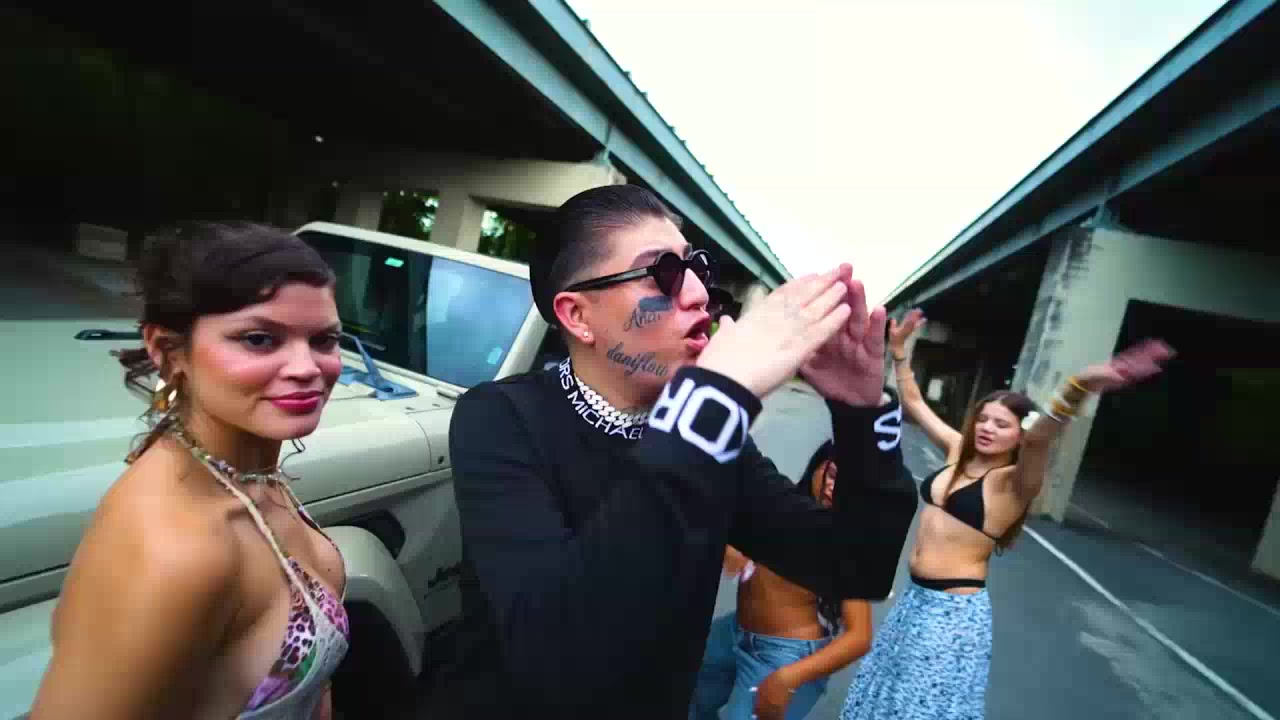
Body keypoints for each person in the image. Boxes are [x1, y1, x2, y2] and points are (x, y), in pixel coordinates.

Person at [449, 184, 917, 718]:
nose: (698, 293)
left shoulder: (715, 445)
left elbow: (858, 566)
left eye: (696, 267)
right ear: (577, 316)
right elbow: (555, 654)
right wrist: (711, 399)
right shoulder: (501, 418)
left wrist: (861, 412)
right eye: (664, 273)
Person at [31, 223, 349, 720]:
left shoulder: (246, 473)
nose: (307, 367)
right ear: (167, 350)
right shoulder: (176, 549)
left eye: (324, 340)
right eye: (260, 339)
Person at [838, 309, 1174, 720]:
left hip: (952, 612)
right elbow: (914, 403)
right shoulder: (958, 452)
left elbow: (1041, 439)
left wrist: (1079, 386)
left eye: (1001, 424)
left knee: (920, 708)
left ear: (1019, 434)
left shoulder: (1013, 483)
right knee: (884, 692)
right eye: (983, 419)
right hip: (916, 600)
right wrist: (899, 352)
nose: (987, 428)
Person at [692, 441, 873, 720]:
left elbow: (860, 637)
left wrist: (788, 677)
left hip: (786, 658)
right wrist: (730, 546)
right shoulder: (784, 502)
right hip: (735, 632)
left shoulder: (849, 544)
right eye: (833, 475)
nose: (833, 489)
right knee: (680, 691)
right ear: (818, 466)